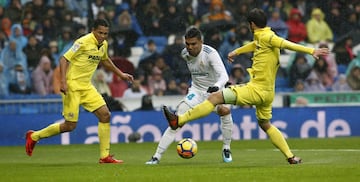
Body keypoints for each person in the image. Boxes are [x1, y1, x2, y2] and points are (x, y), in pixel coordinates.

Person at [162, 8, 329, 165]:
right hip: (268, 93)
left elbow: (285, 43)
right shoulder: (264, 35)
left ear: (252, 24)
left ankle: (179, 120)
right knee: (265, 124)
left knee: (215, 97)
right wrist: (237, 51)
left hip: (255, 89)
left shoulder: (268, 38)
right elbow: (256, 44)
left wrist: (310, 51)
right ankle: (290, 156)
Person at [25, 19, 134, 164]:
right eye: (100, 32)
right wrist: (63, 81)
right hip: (72, 86)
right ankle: (34, 136)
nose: (102, 36)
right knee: (70, 125)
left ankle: (104, 156)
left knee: (105, 115)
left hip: (86, 86)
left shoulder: (104, 45)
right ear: (93, 30)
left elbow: (105, 60)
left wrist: (121, 74)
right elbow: (64, 59)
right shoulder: (82, 42)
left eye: (105, 33)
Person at [145, 27, 234, 165]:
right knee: (176, 121)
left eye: (193, 44)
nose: (190, 47)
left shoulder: (210, 54)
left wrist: (216, 86)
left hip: (214, 92)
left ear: (201, 42)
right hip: (196, 91)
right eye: (187, 44)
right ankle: (156, 157)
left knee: (225, 111)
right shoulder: (184, 53)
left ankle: (226, 148)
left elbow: (224, 75)